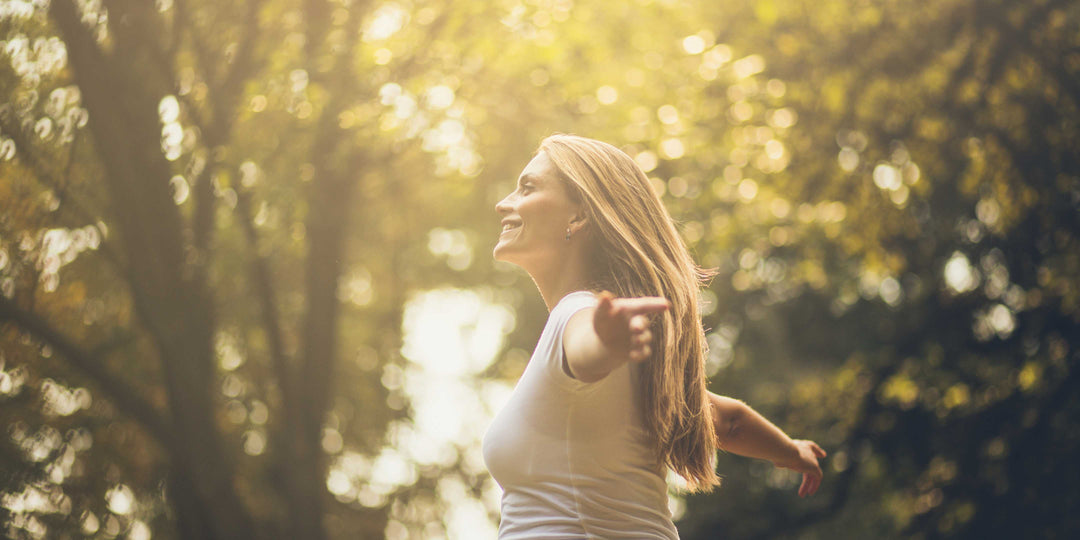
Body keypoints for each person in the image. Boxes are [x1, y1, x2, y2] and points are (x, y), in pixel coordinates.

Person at [481, 134, 827, 539]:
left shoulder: (576, 315)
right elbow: (726, 421)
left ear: (578, 217)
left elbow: (585, 351)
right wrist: (792, 451)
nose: (503, 203)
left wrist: (607, 345)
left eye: (528, 187)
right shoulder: (630, 352)